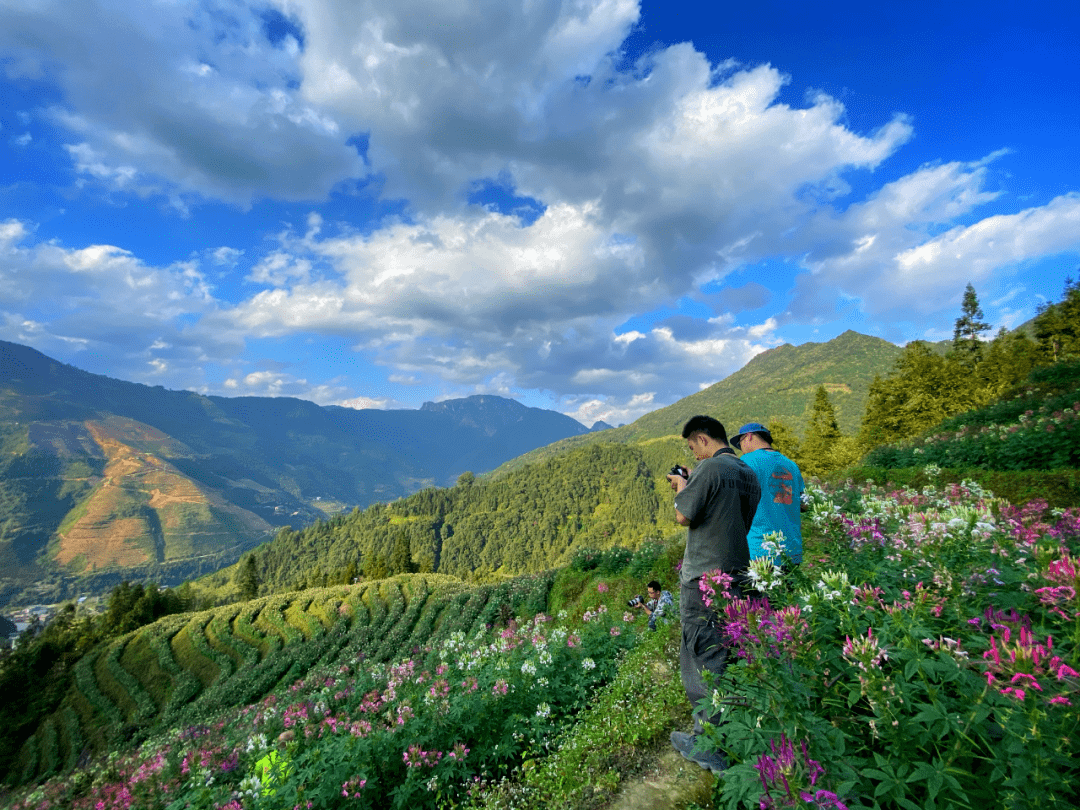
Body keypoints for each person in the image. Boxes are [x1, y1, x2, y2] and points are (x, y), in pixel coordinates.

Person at [666, 415, 761, 773]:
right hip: (739, 577)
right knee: (727, 655)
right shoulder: (747, 473)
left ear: (703, 439)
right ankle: (732, 731)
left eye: (693, 447)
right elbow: (734, 518)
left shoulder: (710, 469)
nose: (694, 454)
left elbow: (683, 515)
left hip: (704, 580)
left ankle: (709, 744)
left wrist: (681, 486)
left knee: (701, 656)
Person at [729, 422, 805, 566]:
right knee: (789, 588)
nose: (741, 449)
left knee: (763, 589)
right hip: (793, 549)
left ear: (749, 436)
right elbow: (804, 504)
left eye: (740, 443)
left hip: (760, 551)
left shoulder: (747, 461)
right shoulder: (791, 465)